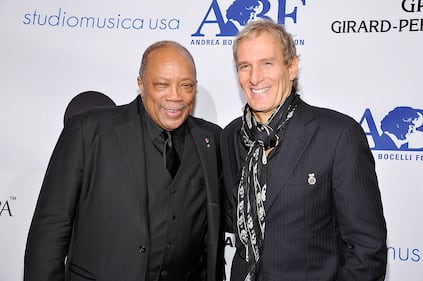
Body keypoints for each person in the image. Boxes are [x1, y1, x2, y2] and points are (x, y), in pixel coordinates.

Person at [24, 41, 224, 281]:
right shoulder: (89, 131)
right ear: (141, 84)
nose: (175, 96)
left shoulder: (210, 139)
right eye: (162, 84)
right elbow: (50, 230)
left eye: (186, 85)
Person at [221, 19, 387, 281]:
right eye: (245, 66)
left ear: (292, 67)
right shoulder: (231, 137)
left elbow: (367, 249)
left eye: (267, 63)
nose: (255, 77)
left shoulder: (337, 134)